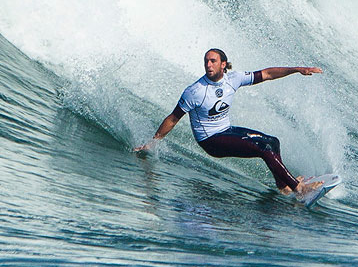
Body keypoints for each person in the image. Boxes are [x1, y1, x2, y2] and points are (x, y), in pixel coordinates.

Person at [134, 48, 325, 197]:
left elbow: (266, 74)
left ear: (223, 64)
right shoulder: (195, 91)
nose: (208, 65)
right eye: (206, 61)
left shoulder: (233, 79)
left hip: (226, 130)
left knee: (273, 142)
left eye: (213, 61)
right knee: (264, 147)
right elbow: (173, 118)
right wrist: (154, 141)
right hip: (211, 141)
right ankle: (298, 189)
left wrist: (297, 70)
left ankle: (283, 186)